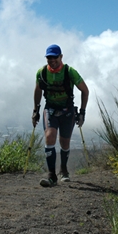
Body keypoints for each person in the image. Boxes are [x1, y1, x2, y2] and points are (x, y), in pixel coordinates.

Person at [32, 44, 89, 187]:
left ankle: (63, 170)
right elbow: (38, 90)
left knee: (64, 142)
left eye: (54, 57)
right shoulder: (42, 73)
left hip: (67, 111)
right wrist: (36, 110)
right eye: (49, 58)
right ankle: (51, 175)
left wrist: (82, 112)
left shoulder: (70, 72)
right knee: (50, 136)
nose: (52, 60)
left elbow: (85, 90)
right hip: (50, 109)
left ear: (61, 57)